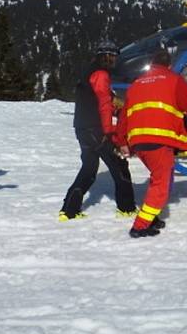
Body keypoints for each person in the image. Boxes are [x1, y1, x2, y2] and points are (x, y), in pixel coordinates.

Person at [117, 47, 187, 238]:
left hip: (138, 142)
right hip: (159, 140)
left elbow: (124, 115)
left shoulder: (137, 83)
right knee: (161, 186)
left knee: (157, 177)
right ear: (170, 65)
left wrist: (121, 140)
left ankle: (152, 217)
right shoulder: (173, 80)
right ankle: (140, 226)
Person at [59, 40, 138, 221]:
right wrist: (108, 130)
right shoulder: (101, 74)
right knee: (119, 166)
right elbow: (103, 103)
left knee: (88, 169)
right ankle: (126, 208)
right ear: (107, 56)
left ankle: (69, 210)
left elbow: (106, 99)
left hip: (82, 128)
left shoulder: (89, 72)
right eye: (114, 57)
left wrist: (119, 107)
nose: (115, 61)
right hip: (96, 129)